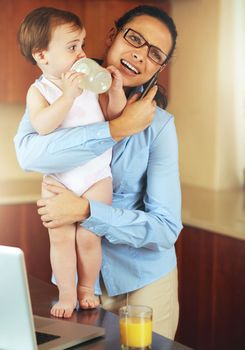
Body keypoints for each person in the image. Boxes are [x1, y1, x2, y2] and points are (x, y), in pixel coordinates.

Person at [14, 5, 183, 340]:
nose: (138, 55)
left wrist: (87, 211)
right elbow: (29, 154)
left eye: (154, 53)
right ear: (113, 36)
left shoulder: (160, 128)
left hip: (144, 278)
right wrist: (116, 129)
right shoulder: (57, 86)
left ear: (159, 68)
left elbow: (165, 229)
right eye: (134, 38)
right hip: (74, 280)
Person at [17, 7, 127, 318]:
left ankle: (86, 288)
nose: (82, 53)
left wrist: (115, 91)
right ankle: (66, 294)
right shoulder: (39, 91)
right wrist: (66, 96)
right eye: (72, 47)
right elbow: (42, 126)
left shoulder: (89, 81)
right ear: (42, 56)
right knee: (62, 238)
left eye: (82, 44)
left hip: (95, 177)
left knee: (89, 235)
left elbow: (112, 118)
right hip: (59, 180)